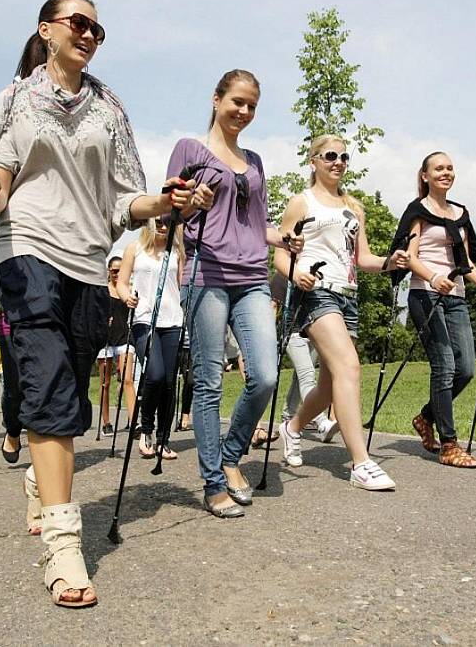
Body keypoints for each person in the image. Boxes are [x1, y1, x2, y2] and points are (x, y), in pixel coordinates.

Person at [0, 0, 210, 608]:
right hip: (25, 248)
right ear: (45, 30)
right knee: (47, 384)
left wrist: (167, 202)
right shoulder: (15, 98)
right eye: (78, 23)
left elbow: (128, 201)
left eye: (97, 28)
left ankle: (37, 479)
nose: (89, 33)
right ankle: (64, 545)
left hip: (86, 262)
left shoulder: (109, 108)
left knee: (68, 389)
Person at [166, 69, 303, 518]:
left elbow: (256, 225)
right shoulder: (190, 149)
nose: (243, 112)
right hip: (205, 272)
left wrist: (283, 239)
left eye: (251, 106)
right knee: (207, 382)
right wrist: (190, 203)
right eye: (237, 102)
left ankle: (230, 454)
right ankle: (212, 482)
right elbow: (168, 213)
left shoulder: (257, 161)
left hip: (251, 276)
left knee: (264, 374)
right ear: (216, 98)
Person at [275, 134, 409, 490]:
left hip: (348, 295)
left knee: (330, 383)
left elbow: (362, 259)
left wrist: (390, 262)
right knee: (350, 366)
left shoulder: (354, 207)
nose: (338, 162)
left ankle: (291, 426)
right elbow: (281, 253)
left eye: (344, 157)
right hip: (316, 292)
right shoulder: (299, 203)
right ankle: (361, 463)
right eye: (330, 155)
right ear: (314, 161)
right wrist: (295, 273)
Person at [397, 151, 476, 467]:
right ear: (425, 176)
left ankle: (425, 417)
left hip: (456, 297)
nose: (445, 172)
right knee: (444, 365)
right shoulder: (418, 211)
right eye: (438, 168)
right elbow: (410, 255)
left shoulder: (460, 213)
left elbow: (465, 263)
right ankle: (449, 445)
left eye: (449, 168)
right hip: (425, 295)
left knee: (467, 369)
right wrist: (433, 277)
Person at [117, 218, 184, 460]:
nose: (163, 226)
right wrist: (127, 298)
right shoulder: (134, 249)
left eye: (169, 222)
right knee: (154, 375)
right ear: (149, 223)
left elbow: (179, 286)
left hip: (173, 320)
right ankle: (146, 429)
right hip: (145, 319)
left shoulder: (177, 251)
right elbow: (122, 283)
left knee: (168, 381)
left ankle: (164, 438)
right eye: (159, 222)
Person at [96, 256, 133, 436]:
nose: (117, 274)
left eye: (121, 270)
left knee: (127, 380)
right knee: (105, 383)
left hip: (125, 338)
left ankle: (134, 422)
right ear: (109, 271)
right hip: (106, 340)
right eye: (114, 270)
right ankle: (106, 422)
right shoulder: (103, 290)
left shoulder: (128, 289)